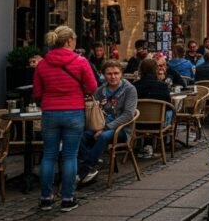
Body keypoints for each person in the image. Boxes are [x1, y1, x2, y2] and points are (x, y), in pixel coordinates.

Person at [34, 26, 97, 212]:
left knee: (49, 156)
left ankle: (46, 198)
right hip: (73, 112)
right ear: (69, 41)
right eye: (75, 40)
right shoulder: (80, 62)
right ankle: (68, 199)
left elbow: (37, 92)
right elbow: (93, 87)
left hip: (50, 113)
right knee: (70, 156)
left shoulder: (43, 64)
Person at [77, 60, 136, 185]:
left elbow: (128, 114)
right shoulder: (100, 90)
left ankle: (84, 169)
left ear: (121, 74)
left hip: (121, 129)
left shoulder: (130, 89)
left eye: (116, 73)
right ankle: (92, 163)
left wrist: (106, 128)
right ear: (104, 74)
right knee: (80, 136)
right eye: (109, 74)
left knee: (103, 137)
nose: (113, 77)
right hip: (98, 125)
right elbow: (94, 111)